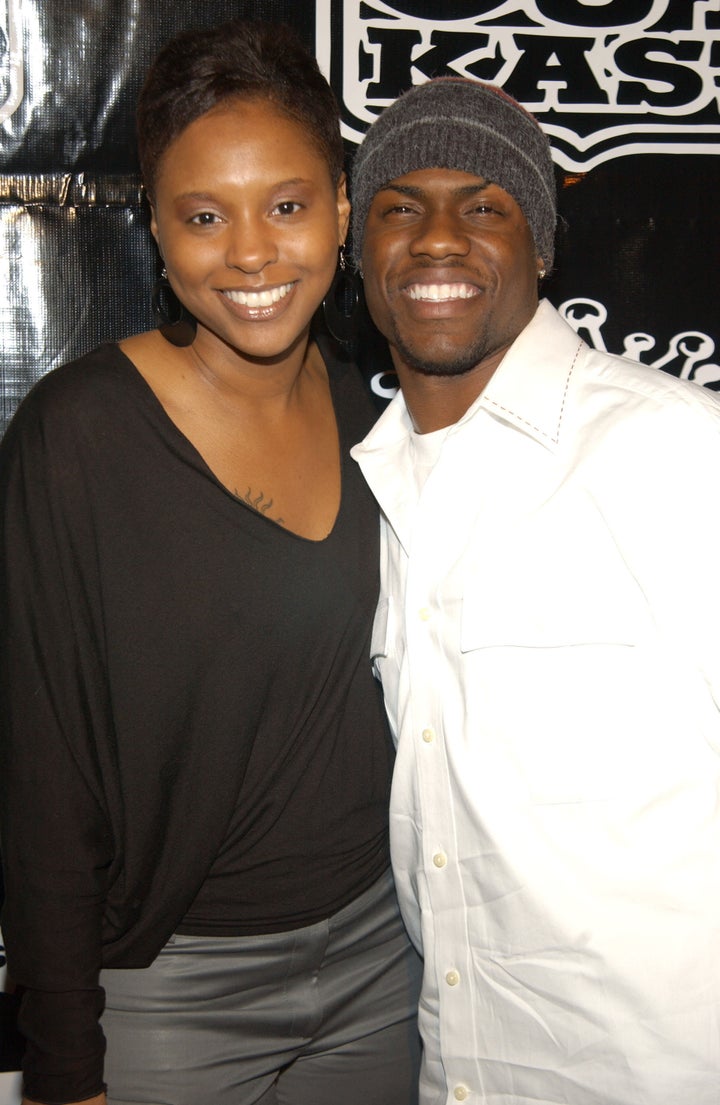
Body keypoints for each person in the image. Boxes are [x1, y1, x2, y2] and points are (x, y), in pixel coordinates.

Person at [0, 20, 422, 1105]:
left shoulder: (383, 419)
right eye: (203, 216)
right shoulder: (77, 437)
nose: (249, 253)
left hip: (386, 965)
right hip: (173, 987)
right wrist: (63, 1067)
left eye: (285, 205)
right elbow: (40, 777)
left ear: (340, 206)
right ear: (156, 227)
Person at [349, 77, 720, 1105]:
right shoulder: (377, 486)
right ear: (358, 254)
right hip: (464, 1068)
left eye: (484, 205)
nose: (435, 239)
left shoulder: (680, 450)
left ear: (543, 246)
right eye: (398, 206)